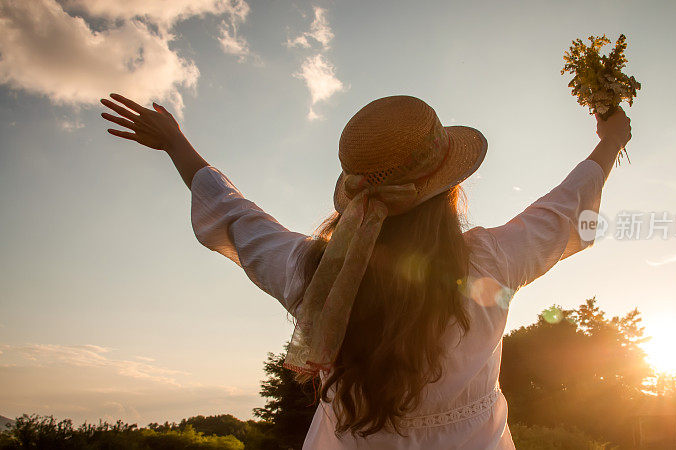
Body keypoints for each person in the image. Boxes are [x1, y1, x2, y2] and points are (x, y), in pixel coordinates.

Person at [101, 93, 631, 449]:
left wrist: (176, 143)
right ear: (448, 187)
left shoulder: (314, 275)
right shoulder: (490, 262)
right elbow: (566, 210)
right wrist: (610, 140)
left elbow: (240, 219)